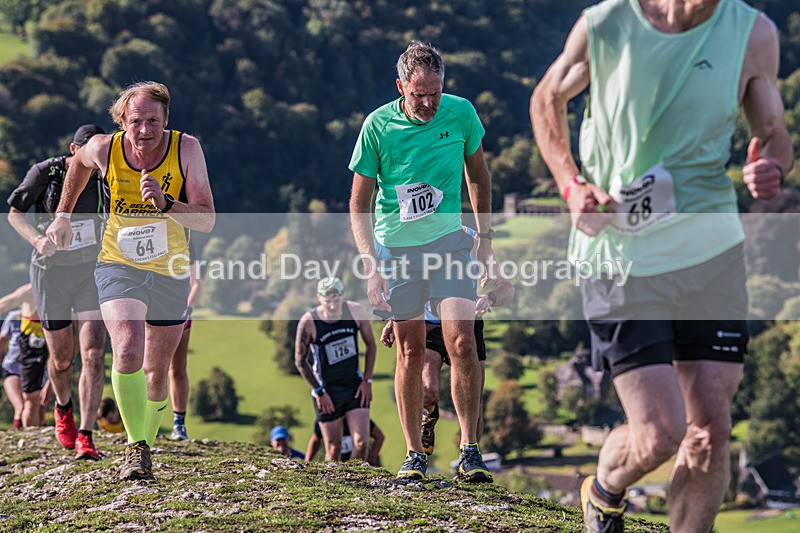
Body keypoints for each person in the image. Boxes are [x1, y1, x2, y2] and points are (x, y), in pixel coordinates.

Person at [530, 1, 793, 531]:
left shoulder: (752, 33)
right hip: (620, 253)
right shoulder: (607, 24)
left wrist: (773, 165)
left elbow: (775, 131)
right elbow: (546, 99)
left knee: (710, 428)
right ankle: (603, 490)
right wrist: (570, 183)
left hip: (711, 250)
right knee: (659, 434)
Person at [46, 81, 216, 480]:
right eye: (136, 121)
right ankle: (135, 449)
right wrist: (63, 214)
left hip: (171, 268)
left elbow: (207, 220)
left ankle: (145, 443)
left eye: (153, 120)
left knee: (157, 374)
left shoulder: (186, 150)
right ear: (122, 122)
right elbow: (78, 165)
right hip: (118, 263)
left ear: (166, 119)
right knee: (126, 348)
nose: (144, 130)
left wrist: (167, 203)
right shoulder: (106, 148)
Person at [349, 42, 495, 482]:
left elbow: (478, 176)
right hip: (397, 251)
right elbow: (359, 203)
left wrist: (484, 239)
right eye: (418, 94)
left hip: (449, 244)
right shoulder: (378, 126)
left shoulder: (461, 113)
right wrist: (371, 265)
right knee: (412, 352)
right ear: (401, 87)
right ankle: (414, 454)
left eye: (435, 91)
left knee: (463, 342)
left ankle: (470, 450)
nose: (429, 102)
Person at [7, 124, 108, 460]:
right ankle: (63, 410)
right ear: (73, 150)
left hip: (91, 271)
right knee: (62, 358)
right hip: (50, 274)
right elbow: (15, 213)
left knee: (93, 354)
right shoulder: (45, 173)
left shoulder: (106, 175)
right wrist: (36, 240)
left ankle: (86, 433)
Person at [380, 227, 515, 456]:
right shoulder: (418, 232)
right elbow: (405, 286)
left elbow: (507, 288)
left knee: (475, 407)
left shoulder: (475, 240)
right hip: (428, 324)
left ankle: (469, 456)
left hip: (466, 324)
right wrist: (395, 320)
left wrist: (489, 298)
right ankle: (429, 414)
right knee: (426, 388)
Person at [294, 277, 376, 463]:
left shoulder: (355, 311)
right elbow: (300, 361)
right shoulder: (309, 322)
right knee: (333, 448)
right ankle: (333, 487)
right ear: (318, 299)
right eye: (327, 302)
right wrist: (319, 391)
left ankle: (358, 480)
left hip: (354, 386)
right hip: (326, 392)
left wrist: (367, 380)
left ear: (342, 296)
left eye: (336, 300)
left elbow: (371, 344)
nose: (332, 306)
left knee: (362, 442)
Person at [0, 284, 52, 427]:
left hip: (41, 366)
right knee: (22, 405)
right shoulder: (14, 316)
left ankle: (33, 438)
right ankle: (21, 437)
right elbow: (2, 339)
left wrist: (50, 380)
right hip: (13, 368)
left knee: (38, 408)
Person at [169, 243, 202, 441]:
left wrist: (187, 310)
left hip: (180, 313)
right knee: (145, 369)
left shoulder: (187, 242)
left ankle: (179, 424)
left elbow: (196, 283)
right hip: (150, 312)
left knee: (177, 370)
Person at [305, 417, 385, 466]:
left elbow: (379, 437)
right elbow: (315, 440)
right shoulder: (326, 419)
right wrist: (306, 463)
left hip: (356, 464)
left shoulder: (359, 421)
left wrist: (370, 460)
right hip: (332, 464)